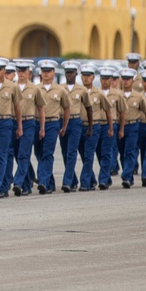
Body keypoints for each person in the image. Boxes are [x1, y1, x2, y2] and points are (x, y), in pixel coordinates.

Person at [35, 59, 70, 195]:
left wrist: (64, 126)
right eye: (44, 71)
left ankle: (43, 181)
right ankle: (50, 182)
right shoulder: (36, 89)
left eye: (48, 71)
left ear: (54, 73)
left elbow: (66, 109)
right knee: (38, 153)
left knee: (48, 152)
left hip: (53, 123)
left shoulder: (60, 90)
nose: (46, 74)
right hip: (37, 123)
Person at [12, 60, 46, 196]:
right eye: (19, 71)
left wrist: (42, 127)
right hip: (14, 122)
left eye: (23, 71)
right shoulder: (12, 87)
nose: (21, 74)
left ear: (29, 73)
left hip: (29, 123)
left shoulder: (34, 89)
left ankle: (18, 182)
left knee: (23, 154)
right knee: (17, 154)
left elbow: (41, 109)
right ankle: (26, 186)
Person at [0, 57, 21, 199]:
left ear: (4, 70)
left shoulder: (12, 86)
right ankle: (3, 185)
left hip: (6, 122)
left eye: (0, 69)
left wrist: (19, 126)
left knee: (2, 154)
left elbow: (17, 108)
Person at [62, 61, 93, 193]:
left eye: (71, 72)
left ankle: (67, 182)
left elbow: (89, 108)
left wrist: (90, 126)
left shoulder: (82, 90)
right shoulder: (59, 88)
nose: (69, 74)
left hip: (75, 122)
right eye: (67, 72)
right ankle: (73, 180)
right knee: (64, 153)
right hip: (63, 122)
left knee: (72, 152)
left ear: (76, 73)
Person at [118, 68, 146, 189]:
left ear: (132, 80)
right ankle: (129, 176)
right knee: (121, 153)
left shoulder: (138, 96)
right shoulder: (117, 95)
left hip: (133, 126)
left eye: (128, 79)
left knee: (129, 151)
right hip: (120, 126)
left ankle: (126, 176)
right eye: (124, 79)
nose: (126, 81)